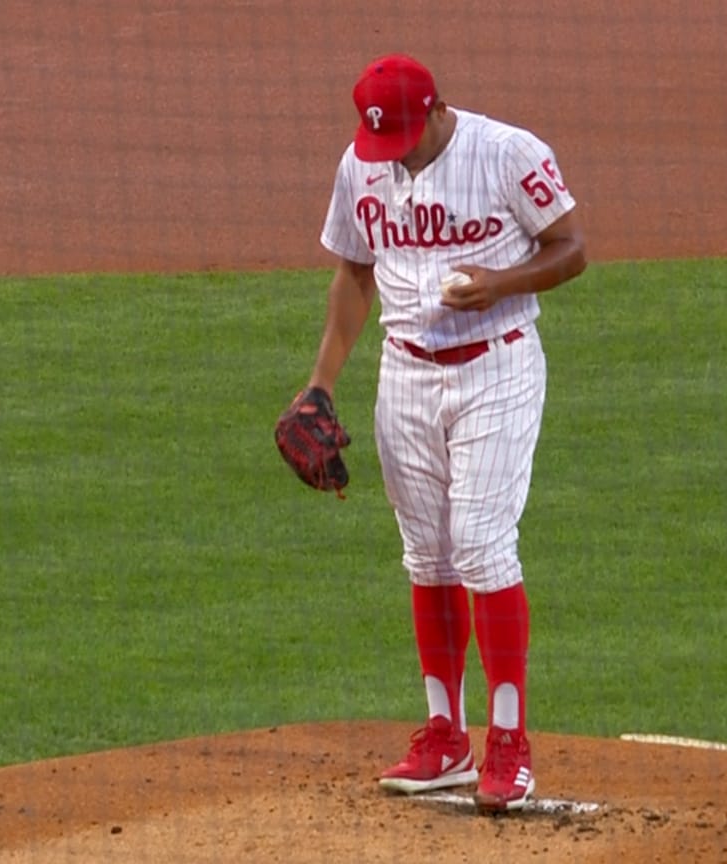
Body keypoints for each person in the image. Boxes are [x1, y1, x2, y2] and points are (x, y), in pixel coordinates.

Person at [303, 53, 587, 813]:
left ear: (436, 110)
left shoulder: (507, 153)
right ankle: (444, 734)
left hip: (497, 369)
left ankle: (508, 740)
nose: (392, 156)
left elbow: (572, 249)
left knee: (484, 547)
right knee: (426, 554)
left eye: (404, 137)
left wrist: (499, 283)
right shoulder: (362, 166)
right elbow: (354, 274)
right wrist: (320, 383)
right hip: (405, 374)